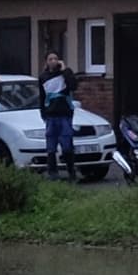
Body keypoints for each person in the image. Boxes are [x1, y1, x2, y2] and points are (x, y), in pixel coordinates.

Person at [37, 51, 79, 179]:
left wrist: (65, 70)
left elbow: (73, 86)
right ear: (46, 62)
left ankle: (71, 171)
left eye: (56, 58)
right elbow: (42, 97)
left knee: (67, 145)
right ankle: (53, 173)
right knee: (51, 146)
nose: (53, 61)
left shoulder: (65, 74)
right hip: (51, 115)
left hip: (65, 115)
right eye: (51, 59)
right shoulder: (43, 77)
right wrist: (43, 113)